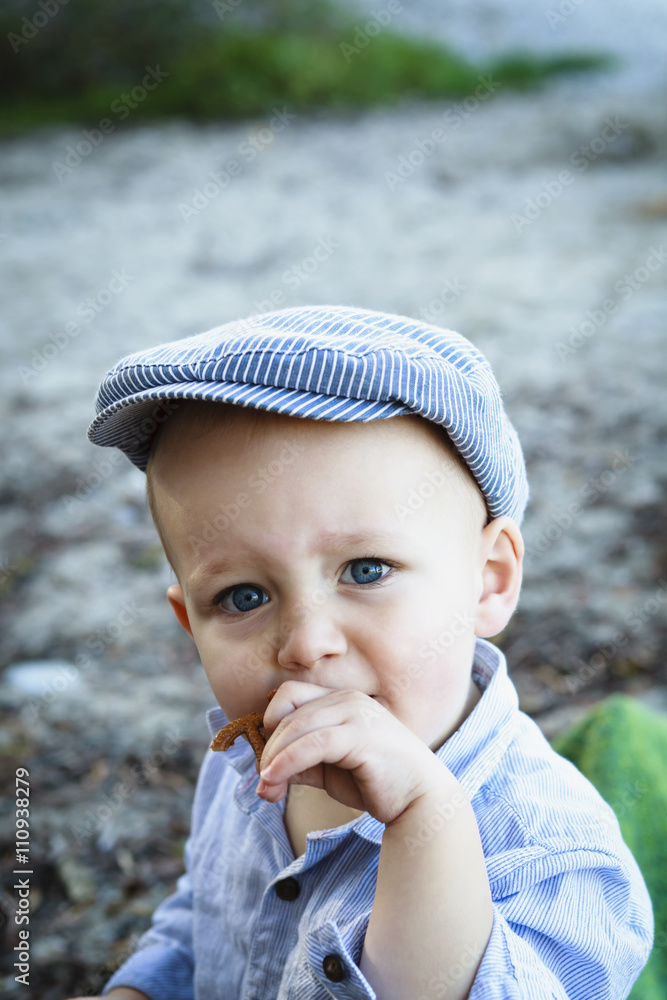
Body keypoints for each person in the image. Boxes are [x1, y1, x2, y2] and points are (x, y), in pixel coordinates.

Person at [71, 305, 652, 1000]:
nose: (307, 645)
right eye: (244, 597)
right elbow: (207, 918)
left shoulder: (551, 858)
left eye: (366, 570)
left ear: (489, 579)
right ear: (189, 621)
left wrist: (421, 818)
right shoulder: (241, 762)